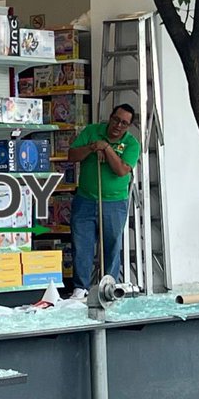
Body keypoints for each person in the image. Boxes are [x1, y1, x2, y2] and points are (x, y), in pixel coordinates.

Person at [65, 104, 140, 299]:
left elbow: (122, 170)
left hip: (114, 203)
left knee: (112, 245)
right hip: (86, 199)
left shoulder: (132, 144)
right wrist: (91, 148)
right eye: (116, 120)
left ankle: (108, 287)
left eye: (124, 123)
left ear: (129, 126)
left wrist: (107, 149)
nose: (118, 125)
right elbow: (72, 155)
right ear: (110, 116)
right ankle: (80, 288)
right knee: (82, 243)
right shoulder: (92, 131)